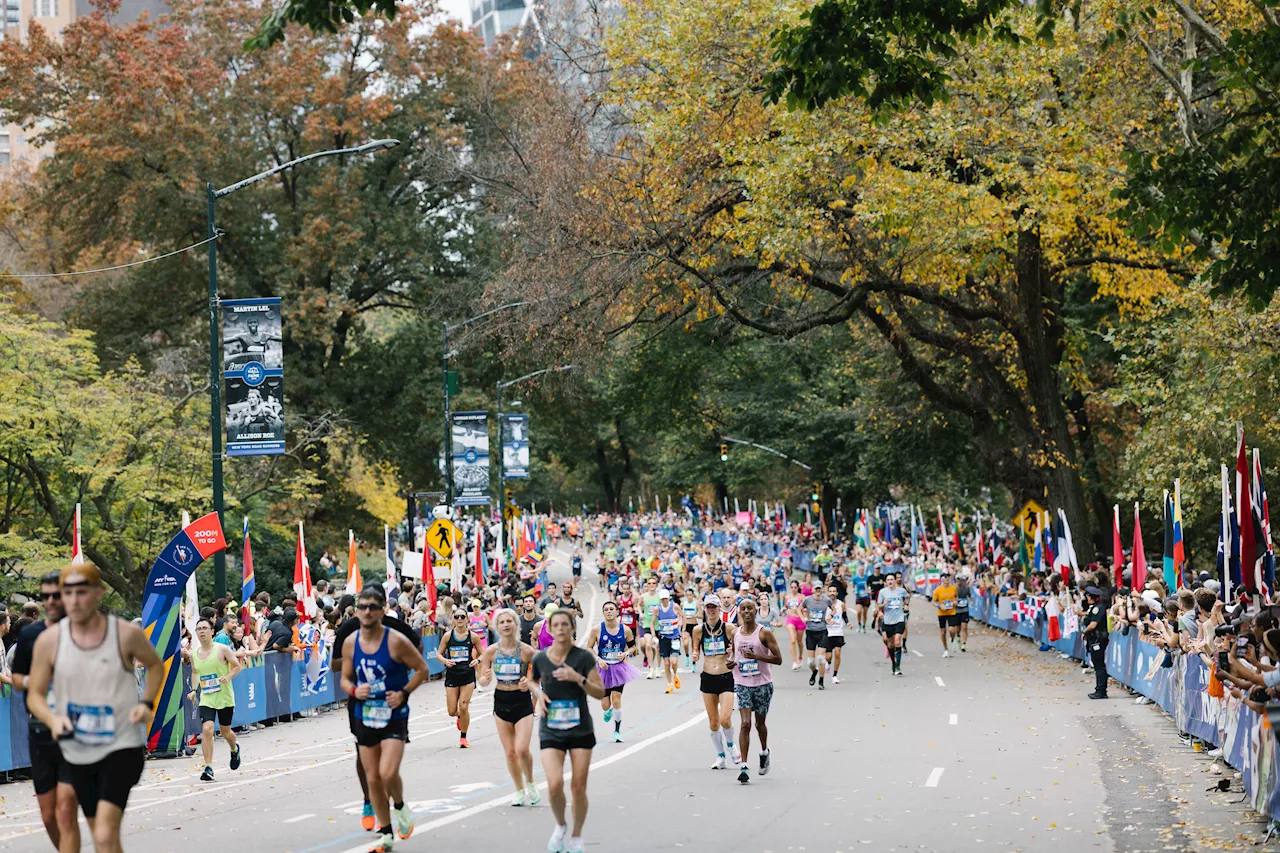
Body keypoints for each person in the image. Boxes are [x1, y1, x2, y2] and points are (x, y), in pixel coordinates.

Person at [25, 563, 163, 853]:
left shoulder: (124, 634)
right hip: (77, 750)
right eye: (68, 593)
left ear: (99, 593)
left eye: (82, 592)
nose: (74, 600)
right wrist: (52, 719)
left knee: (103, 834)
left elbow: (154, 666)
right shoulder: (49, 642)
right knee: (106, 838)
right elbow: (34, 695)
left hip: (121, 746)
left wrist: (147, 704)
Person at [340, 586, 430, 853]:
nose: (367, 611)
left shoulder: (396, 641)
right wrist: (355, 690)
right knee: (373, 779)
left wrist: (402, 693)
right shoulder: (350, 642)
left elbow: (422, 670)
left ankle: (400, 806)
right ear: (357, 611)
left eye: (372, 607)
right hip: (365, 713)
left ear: (381, 611)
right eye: (362, 607)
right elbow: (344, 678)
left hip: (393, 714)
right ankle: (387, 833)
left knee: (387, 773)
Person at [10, 571, 80, 853]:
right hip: (39, 731)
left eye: (57, 595)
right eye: (46, 596)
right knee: (48, 815)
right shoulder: (29, 635)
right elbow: (17, 679)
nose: (51, 601)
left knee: (65, 806)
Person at [530, 610, 606, 853]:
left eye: (566, 624)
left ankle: (576, 835)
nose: (561, 629)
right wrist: (539, 693)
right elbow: (531, 679)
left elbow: (600, 691)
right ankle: (561, 824)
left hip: (580, 729)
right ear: (549, 630)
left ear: (573, 627)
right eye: (556, 625)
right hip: (551, 729)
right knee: (553, 785)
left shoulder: (583, 657)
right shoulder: (541, 658)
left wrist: (578, 678)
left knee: (578, 787)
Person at [477, 609, 540, 806]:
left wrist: (528, 681)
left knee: (522, 749)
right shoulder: (491, 652)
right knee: (510, 752)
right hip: (501, 701)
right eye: (502, 622)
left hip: (522, 701)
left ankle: (530, 782)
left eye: (509, 621)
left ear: (515, 625)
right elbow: (482, 679)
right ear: (497, 627)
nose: (505, 624)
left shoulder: (526, 651)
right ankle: (519, 789)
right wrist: (484, 679)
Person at [732, 598, 781, 784]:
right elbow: (734, 654)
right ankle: (744, 766)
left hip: (762, 684)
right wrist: (732, 662)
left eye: (750, 608)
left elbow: (778, 659)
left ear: (756, 611)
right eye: (743, 608)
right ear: (740, 612)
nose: (746, 612)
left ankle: (764, 751)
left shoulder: (764, 633)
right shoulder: (736, 633)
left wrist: (757, 656)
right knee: (745, 723)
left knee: (760, 724)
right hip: (742, 682)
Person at [187, 618, 242, 782]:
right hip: (207, 698)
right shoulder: (194, 654)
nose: (202, 631)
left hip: (224, 697)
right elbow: (195, 673)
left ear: (212, 631)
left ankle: (234, 748)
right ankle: (208, 766)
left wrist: (228, 676)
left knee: (226, 732)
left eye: (205, 628)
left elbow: (238, 666)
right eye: (198, 629)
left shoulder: (222, 649)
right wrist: (194, 691)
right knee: (207, 729)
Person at [691, 596, 738, 769]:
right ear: (704, 609)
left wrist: (732, 652)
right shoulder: (698, 629)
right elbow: (694, 648)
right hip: (708, 677)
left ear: (719, 609)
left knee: (726, 719)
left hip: (726, 676)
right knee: (713, 722)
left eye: (714, 607)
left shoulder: (729, 628)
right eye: (708, 607)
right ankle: (720, 757)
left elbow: (740, 646)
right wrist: (694, 654)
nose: (711, 610)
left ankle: (732, 746)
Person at [585, 601, 638, 743]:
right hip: (603, 669)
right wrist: (598, 659)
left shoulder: (625, 630)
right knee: (605, 704)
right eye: (606, 610)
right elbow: (589, 647)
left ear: (617, 612)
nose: (608, 612)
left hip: (619, 669)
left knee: (616, 699)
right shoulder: (597, 629)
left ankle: (617, 731)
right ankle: (608, 710)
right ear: (603, 613)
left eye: (611, 609)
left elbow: (633, 647)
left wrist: (626, 653)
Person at [436, 607, 482, 747]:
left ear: (468, 619)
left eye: (463, 617)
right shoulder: (448, 636)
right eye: (457, 617)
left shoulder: (473, 636)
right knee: (452, 711)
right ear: (453, 619)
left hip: (467, 675)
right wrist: (445, 661)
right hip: (452, 675)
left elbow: (483, 653)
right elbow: (438, 654)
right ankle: (459, 718)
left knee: (463, 706)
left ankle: (463, 737)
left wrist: (478, 661)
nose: (460, 619)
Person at [877, 572, 910, 676]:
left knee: (897, 641)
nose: (890, 582)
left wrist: (906, 605)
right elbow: (878, 606)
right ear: (886, 582)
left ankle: (898, 666)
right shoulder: (883, 592)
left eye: (892, 579)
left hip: (899, 619)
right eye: (888, 580)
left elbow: (907, 597)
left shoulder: (901, 591)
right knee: (890, 644)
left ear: (895, 581)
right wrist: (883, 605)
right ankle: (893, 663)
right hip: (888, 621)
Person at [801, 585, 831, 689]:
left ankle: (821, 681)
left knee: (821, 658)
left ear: (822, 589)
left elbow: (834, 609)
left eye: (819, 589)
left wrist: (829, 617)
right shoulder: (807, 600)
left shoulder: (827, 600)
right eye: (816, 589)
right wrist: (803, 618)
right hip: (810, 632)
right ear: (813, 590)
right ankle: (814, 671)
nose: (818, 591)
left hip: (822, 631)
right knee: (810, 662)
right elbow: (798, 609)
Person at [1083, 586, 1109, 699]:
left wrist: (1084, 631)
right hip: (1094, 639)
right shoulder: (1093, 607)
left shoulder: (1098, 608)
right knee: (1097, 664)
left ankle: (1101, 690)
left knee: (1099, 665)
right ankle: (1099, 688)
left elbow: (1093, 624)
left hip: (1098, 639)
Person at [654, 589, 683, 694]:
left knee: (674, 661)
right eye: (662, 599)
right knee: (666, 663)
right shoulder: (657, 609)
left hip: (674, 637)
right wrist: (654, 636)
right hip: (664, 638)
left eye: (665, 598)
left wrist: (682, 630)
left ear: (668, 598)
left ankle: (675, 675)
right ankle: (669, 684)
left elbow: (683, 616)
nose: (664, 601)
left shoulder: (674, 606)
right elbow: (653, 622)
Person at [931, 573, 959, 658]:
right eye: (945, 578)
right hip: (941, 613)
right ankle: (946, 649)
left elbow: (956, 598)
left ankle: (952, 639)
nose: (947, 580)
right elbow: (933, 602)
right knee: (943, 632)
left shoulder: (953, 588)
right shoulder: (938, 590)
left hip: (951, 612)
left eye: (948, 578)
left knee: (951, 630)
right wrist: (939, 606)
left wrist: (955, 602)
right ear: (942, 580)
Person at [823, 583, 846, 684]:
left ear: (836, 593)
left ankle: (835, 675)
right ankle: (828, 663)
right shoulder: (824, 604)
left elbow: (844, 615)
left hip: (838, 632)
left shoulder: (841, 604)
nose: (832, 593)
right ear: (828, 593)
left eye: (834, 591)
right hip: (827, 633)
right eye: (830, 591)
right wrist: (826, 621)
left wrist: (848, 622)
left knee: (837, 653)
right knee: (828, 656)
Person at [783, 581, 804, 669]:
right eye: (792, 587)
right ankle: (794, 661)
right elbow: (786, 606)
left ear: (798, 587)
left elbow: (805, 608)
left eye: (795, 587)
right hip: (790, 619)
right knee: (792, 640)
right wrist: (783, 609)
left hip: (800, 620)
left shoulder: (802, 597)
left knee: (799, 641)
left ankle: (800, 657)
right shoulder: (787, 597)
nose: (793, 589)